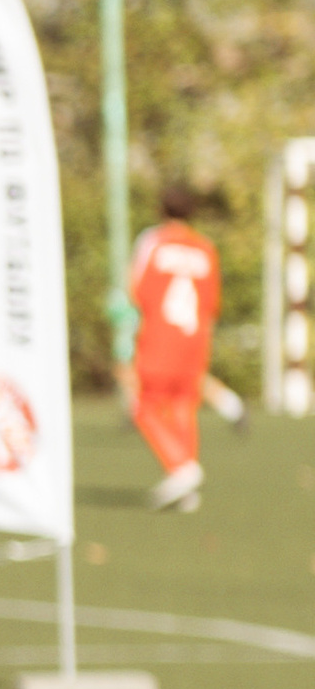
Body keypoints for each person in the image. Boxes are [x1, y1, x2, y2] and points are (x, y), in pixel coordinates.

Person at [127, 191, 222, 514]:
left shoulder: (154, 241)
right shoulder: (205, 247)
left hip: (160, 339)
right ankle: (186, 490)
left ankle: (181, 467)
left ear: (159, 209)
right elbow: (212, 304)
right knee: (183, 409)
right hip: (194, 342)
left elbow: (136, 289)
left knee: (145, 408)